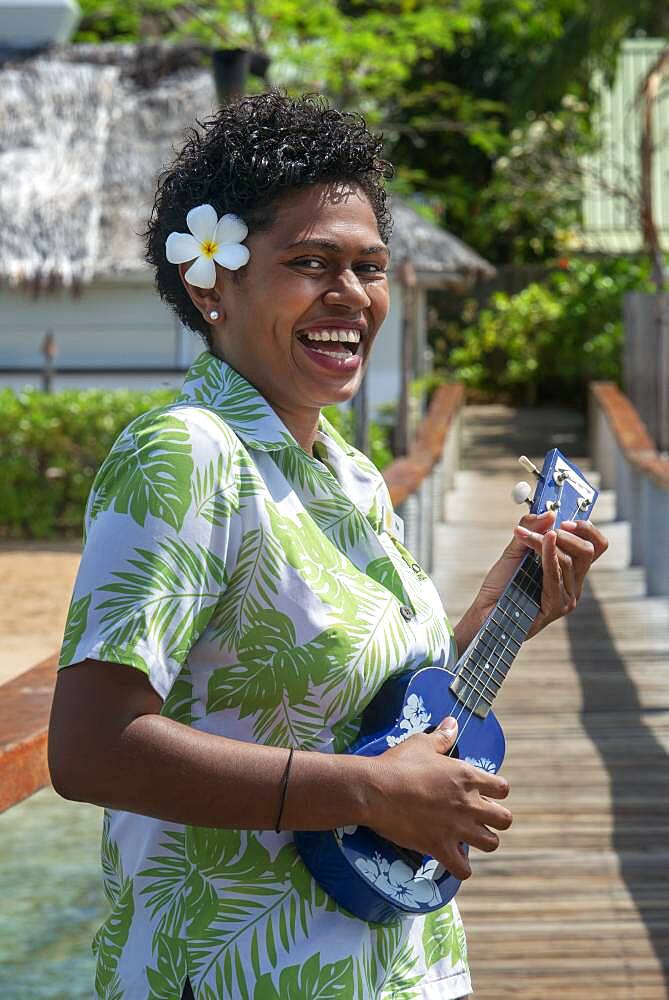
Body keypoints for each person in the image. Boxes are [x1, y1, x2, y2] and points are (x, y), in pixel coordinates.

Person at [48, 92, 607, 1000]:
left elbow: (373, 726)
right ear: (210, 282)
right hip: (238, 975)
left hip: (394, 966)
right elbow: (91, 748)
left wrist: (505, 613)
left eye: (370, 267)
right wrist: (363, 793)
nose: (349, 294)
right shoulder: (186, 453)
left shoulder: (343, 470)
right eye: (309, 263)